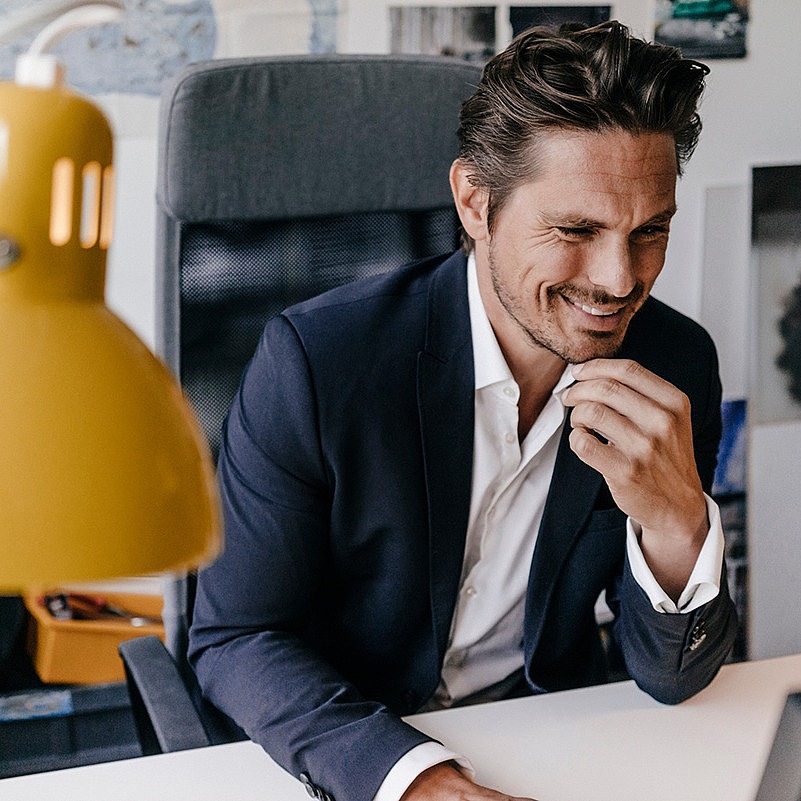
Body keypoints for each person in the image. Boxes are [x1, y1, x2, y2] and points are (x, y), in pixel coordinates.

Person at [188, 20, 738, 801]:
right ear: (475, 204)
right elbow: (237, 637)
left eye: (649, 231)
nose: (620, 280)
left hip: (553, 738)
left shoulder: (674, 366)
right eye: (575, 230)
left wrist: (677, 525)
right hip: (348, 748)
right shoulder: (318, 363)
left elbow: (672, 675)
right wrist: (413, 780)